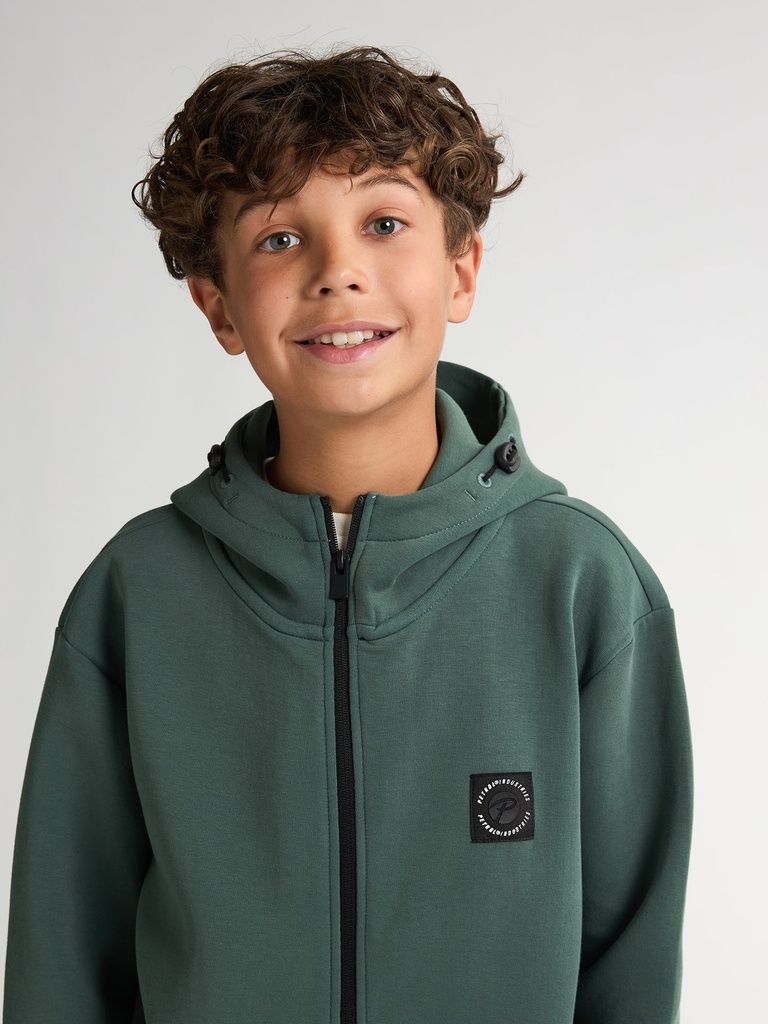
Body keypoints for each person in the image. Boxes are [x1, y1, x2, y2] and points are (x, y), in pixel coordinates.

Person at [2, 44, 694, 1024]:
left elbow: (632, 956)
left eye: (383, 223)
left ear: (461, 271)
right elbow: (63, 957)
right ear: (218, 305)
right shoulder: (137, 592)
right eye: (281, 238)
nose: (338, 273)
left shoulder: (582, 582)